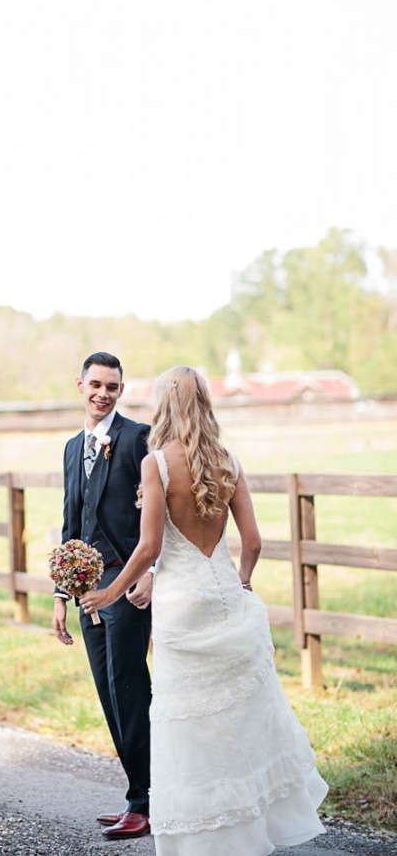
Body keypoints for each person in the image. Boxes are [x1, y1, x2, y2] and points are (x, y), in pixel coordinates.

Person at [81, 366, 328, 855]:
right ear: (206, 402)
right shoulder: (229, 461)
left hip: (181, 604)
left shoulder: (158, 464)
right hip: (224, 596)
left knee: (188, 720)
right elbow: (253, 542)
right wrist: (243, 580)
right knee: (235, 716)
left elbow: (150, 548)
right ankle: (248, 826)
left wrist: (110, 594)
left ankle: (202, 834)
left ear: (163, 405)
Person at [52, 352, 153, 841]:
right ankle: (137, 793)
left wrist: (150, 572)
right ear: (80, 385)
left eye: (112, 387)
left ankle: (146, 802)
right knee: (108, 694)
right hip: (87, 593)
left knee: (131, 691)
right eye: (96, 384)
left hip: (128, 586)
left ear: (121, 390)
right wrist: (60, 594)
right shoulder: (72, 448)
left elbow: (160, 514)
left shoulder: (138, 438)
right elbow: (71, 524)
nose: (103, 394)